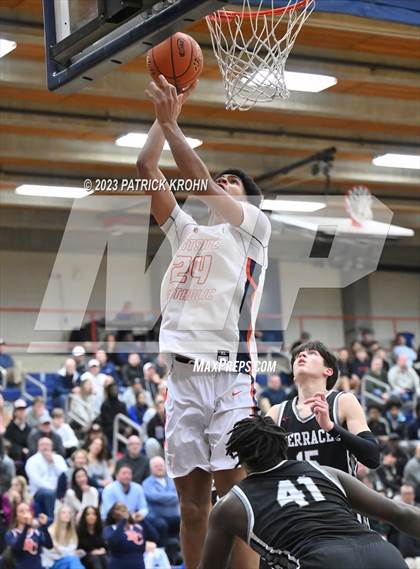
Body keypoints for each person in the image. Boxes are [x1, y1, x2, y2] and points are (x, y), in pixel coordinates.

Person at [141, 75, 270, 569]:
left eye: (232, 183)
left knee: (235, 504)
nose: (223, 185)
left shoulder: (255, 230)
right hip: (183, 378)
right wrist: (162, 115)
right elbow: (144, 166)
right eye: (225, 180)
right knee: (193, 507)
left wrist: (175, 124)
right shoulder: (187, 230)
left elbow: (201, 182)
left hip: (230, 376)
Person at [197, 416, 419, 569]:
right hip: (383, 554)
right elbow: (400, 512)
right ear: (283, 445)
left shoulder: (231, 504)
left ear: (239, 457)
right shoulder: (325, 472)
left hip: (322, 561)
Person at [268, 341, 380, 476]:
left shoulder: (344, 402)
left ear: (328, 370)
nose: (302, 355)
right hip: (294, 495)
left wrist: (331, 428)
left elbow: (373, 458)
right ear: (293, 376)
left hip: (336, 495)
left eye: (312, 353)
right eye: (297, 356)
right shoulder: (276, 413)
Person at [103, 502, 158, 569]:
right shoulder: (109, 529)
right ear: (113, 515)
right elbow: (112, 543)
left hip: (138, 565)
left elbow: (155, 538)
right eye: (119, 509)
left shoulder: (137, 528)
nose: (123, 510)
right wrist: (123, 521)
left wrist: (143, 521)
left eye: (125, 508)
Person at [142, 457, 180, 549]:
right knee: (161, 525)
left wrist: (163, 497)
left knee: (186, 522)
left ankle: (181, 552)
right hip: (156, 517)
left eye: (161, 465)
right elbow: (154, 497)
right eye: (156, 466)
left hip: (174, 516)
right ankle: (163, 552)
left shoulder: (173, 479)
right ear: (151, 469)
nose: (159, 468)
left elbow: (180, 493)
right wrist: (172, 497)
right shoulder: (147, 483)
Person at [25, 438, 67, 520]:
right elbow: (36, 481)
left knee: (69, 493)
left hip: (58, 491)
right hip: (39, 492)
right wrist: (53, 489)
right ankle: (51, 520)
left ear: (52, 447)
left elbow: (64, 475)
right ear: (38, 447)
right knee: (49, 493)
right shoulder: (32, 461)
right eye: (42, 445)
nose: (45, 447)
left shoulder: (58, 459)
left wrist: (53, 462)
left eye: (47, 445)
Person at [5, 504, 52, 569]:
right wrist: (27, 526)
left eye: (27, 511)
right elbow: (18, 547)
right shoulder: (11, 534)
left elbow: (49, 545)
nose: (25, 513)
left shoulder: (36, 532)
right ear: (16, 516)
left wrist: (44, 526)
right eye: (21, 511)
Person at [42, 504, 85, 569]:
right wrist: (66, 553)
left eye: (69, 513)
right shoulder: (51, 530)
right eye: (63, 513)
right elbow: (50, 551)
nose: (67, 515)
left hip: (67, 562)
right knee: (73, 560)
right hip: (52, 563)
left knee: (73, 560)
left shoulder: (72, 532)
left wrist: (60, 550)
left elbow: (72, 549)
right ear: (58, 515)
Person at [5, 399, 31, 472]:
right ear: (15, 412)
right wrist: (21, 449)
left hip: (27, 456)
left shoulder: (28, 428)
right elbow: (8, 443)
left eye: (23, 410)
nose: (21, 412)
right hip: (14, 455)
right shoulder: (10, 428)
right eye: (19, 410)